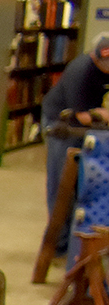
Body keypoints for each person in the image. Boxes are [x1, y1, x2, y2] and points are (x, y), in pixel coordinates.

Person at [42, 30, 109, 218]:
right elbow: (81, 116)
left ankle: (77, 238)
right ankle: (59, 243)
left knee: (83, 181)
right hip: (62, 125)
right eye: (104, 62)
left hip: (87, 125)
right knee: (62, 183)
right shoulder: (80, 71)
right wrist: (104, 115)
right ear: (94, 56)